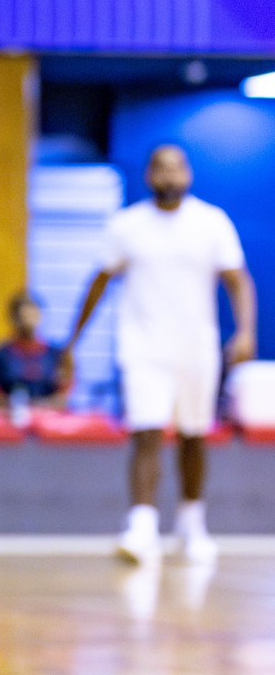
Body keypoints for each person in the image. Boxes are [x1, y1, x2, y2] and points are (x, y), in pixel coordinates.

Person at [64, 144, 257, 563]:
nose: (169, 176)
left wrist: (244, 331)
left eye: (177, 168)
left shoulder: (212, 222)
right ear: (149, 175)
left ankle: (192, 522)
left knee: (193, 435)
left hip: (196, 346)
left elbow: (238, 281)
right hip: (143, 344)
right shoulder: (127, 225)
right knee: (146, 432)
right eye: (160, 169)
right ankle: (142, 525)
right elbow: (97, 284)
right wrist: (73, 342)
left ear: (188, 174)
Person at [0, 291, 70, 410]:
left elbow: (62, 396)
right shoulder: (1, 354)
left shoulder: (55, 354)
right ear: (14, 319)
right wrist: (17, 407)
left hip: (47, 418)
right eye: (24, 317)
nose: (29, 322)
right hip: (10, 417)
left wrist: (40, 406)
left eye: (33, 315)